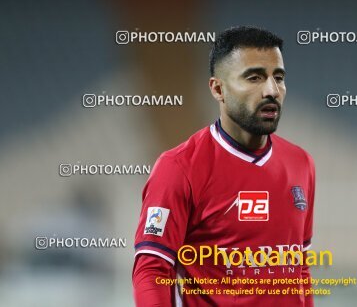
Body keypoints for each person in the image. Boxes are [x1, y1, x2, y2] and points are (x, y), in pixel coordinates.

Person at [133, 26, 315, 306]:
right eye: (254, 77)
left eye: (278, 77)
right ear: (218, 88)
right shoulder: (179, 168)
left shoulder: (301, 163)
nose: (272, 90)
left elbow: (299, 267)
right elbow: (152, 269)